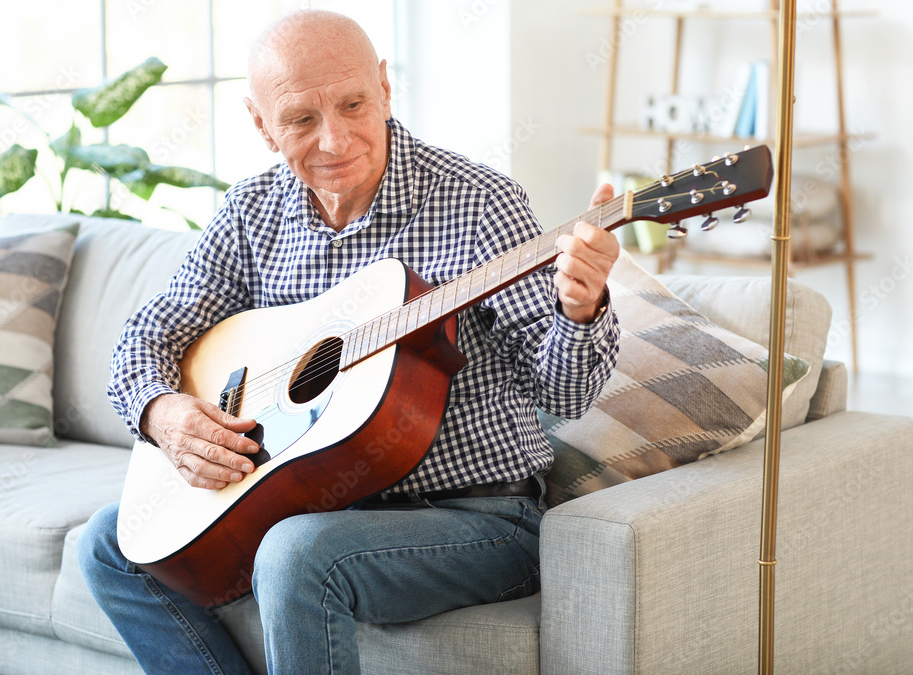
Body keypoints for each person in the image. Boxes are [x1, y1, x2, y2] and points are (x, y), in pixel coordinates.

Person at [78, 9, 621, 675]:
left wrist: (581, 307)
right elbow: (148, 332)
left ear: (386, 91)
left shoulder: (478, 202)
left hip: (480, 516)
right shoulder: (251, 213)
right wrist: (163, 411)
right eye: (302, 119)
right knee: (109, 542)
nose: (334, 139)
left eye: (354, 104)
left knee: (296, 552)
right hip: (315, 499)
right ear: (261, 125)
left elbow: (568, 394)